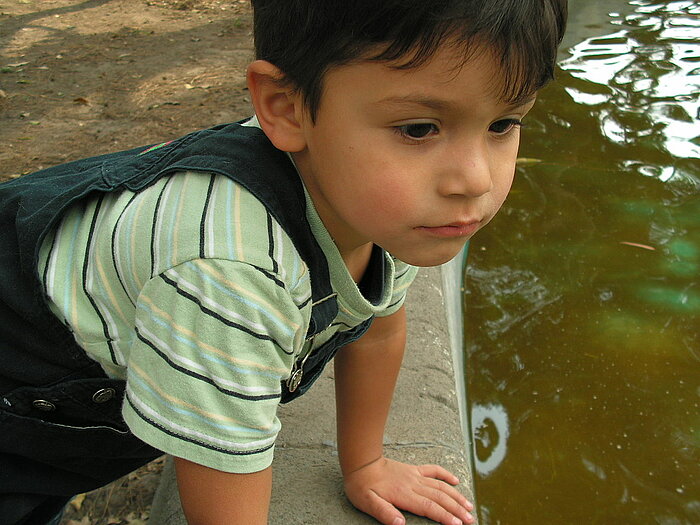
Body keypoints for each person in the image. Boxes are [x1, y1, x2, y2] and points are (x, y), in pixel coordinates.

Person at [0, 1, 567, 523]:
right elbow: (223, 483)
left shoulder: (379, 204)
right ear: (285, 107)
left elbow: (375, 329)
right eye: (418, 128)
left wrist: (366, 464)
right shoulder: (231, 273)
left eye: (503, 124)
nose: (474, 179)